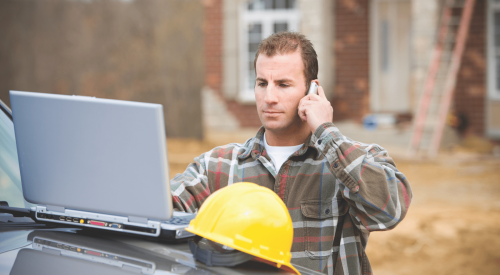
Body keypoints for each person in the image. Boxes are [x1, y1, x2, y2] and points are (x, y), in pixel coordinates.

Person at [171, 32, 412, 274]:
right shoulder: (218, 165)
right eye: (262, 83)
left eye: (283, 85)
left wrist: (327, 133)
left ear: (312, 90)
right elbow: (161, 208)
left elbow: (389, 212)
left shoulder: (353, 158)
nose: (269, 98)